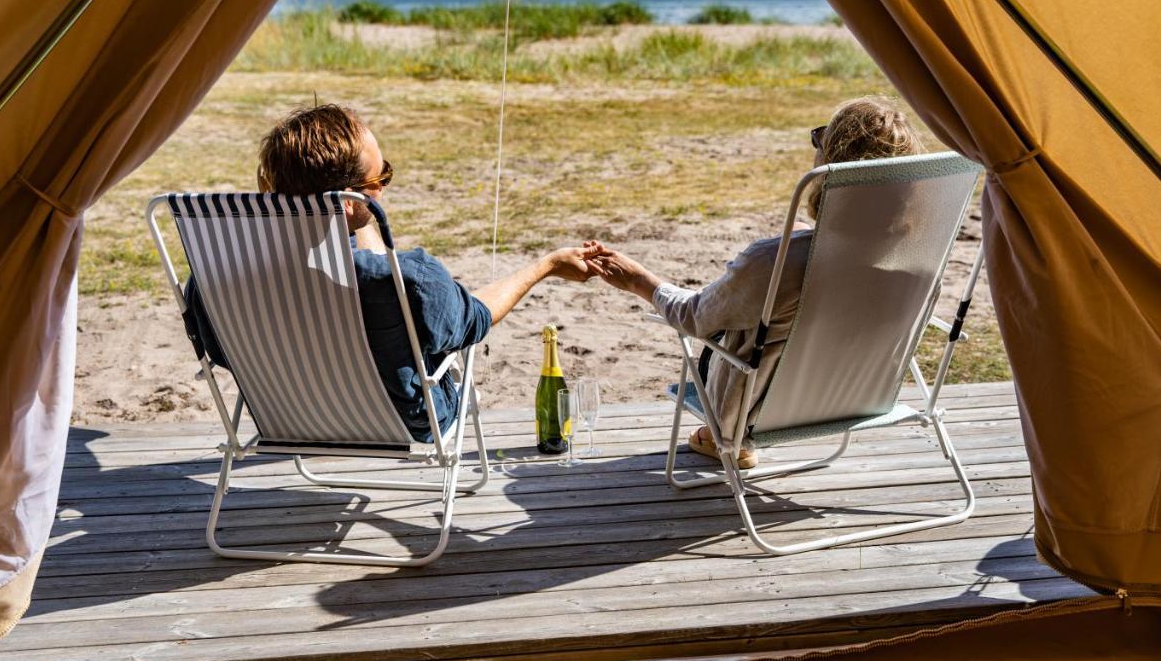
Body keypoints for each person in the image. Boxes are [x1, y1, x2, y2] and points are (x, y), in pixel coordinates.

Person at [586, 96, 926, 468]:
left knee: (725, 328)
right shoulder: (919, 257)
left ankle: (723, 444)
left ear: (831, 168)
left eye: (821, 141)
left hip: (755, 410)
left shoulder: (774, 262)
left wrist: (639, 281)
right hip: (855, 398)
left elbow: (693, 316)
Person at [250, 104, 602, 442]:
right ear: (345, 200)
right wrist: (547, 266)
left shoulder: (228, 278)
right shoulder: (410, 280)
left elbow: (219, 353)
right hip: (401, 419)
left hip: (286, 417)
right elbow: (476, 319)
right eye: (381, 176)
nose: (383, 187)